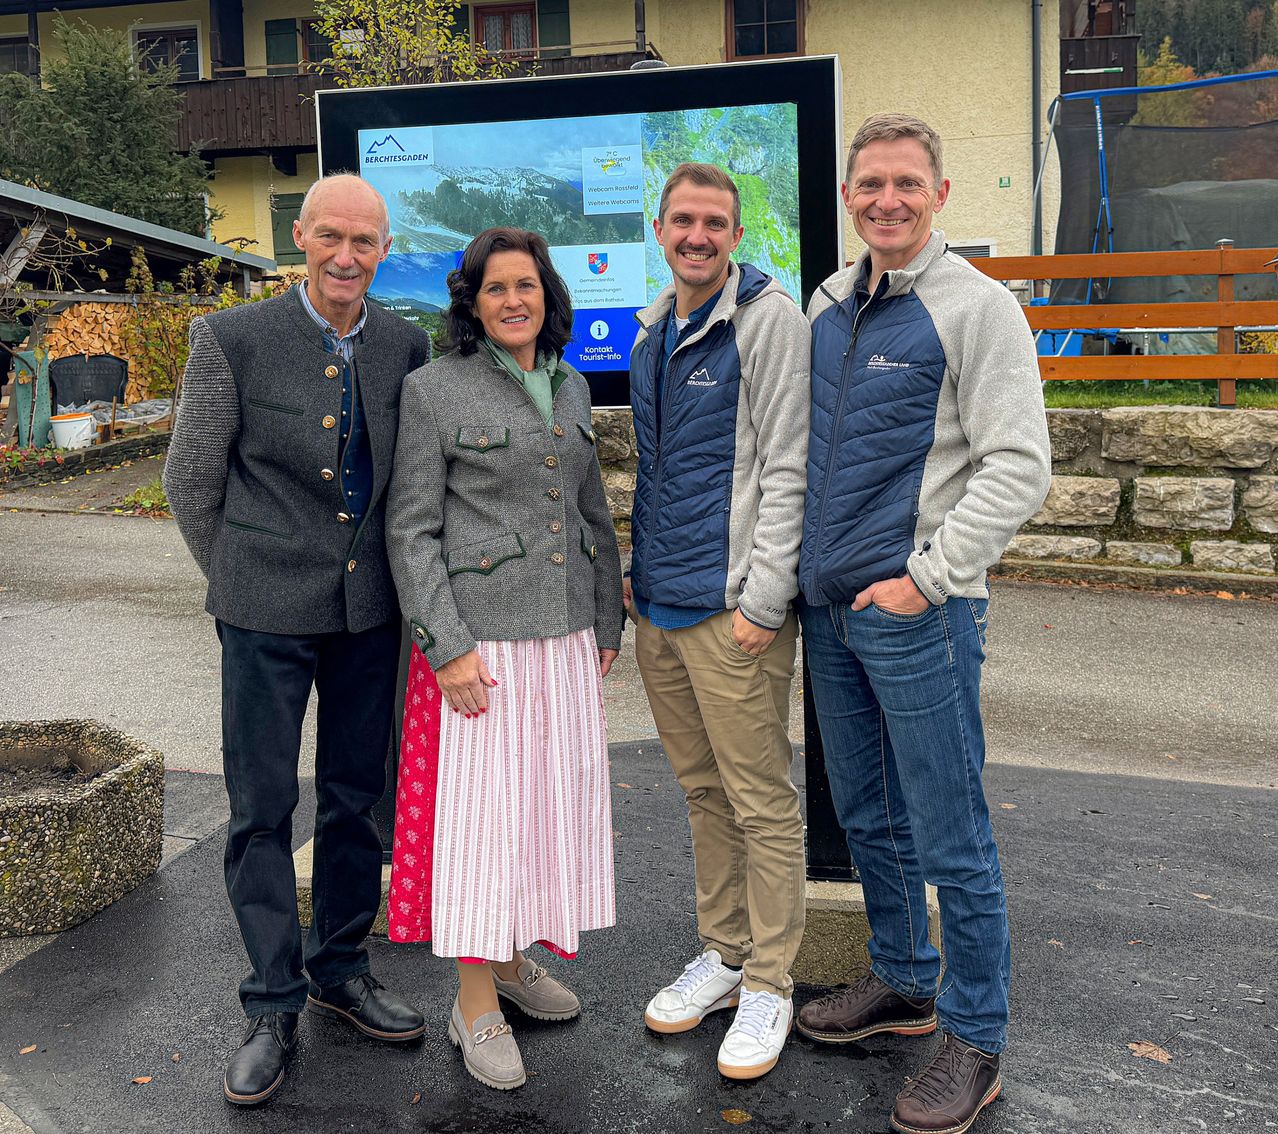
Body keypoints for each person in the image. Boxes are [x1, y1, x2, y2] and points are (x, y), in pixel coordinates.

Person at [796, 113, 1052, 1134]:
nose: (886, 200)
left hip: (920, 618)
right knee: (869, 819)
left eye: (906, 183)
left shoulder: (978, 308)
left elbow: (1020, 464)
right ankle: (904, 982)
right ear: (851, 196)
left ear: (937, 192)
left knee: (952, 833)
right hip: (832, 617)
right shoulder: (827, 303)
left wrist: (927, 579)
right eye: (871, 185)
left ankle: (976, 1034)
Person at [163, 173, 431, 1107]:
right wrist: (239, 581)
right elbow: (191, 482)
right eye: (330, 239)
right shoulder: (230, 337)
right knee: (262, 807)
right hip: (261, 615)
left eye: (365, 241)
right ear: (302, 241)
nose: (347, 256)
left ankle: (341, 968)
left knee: (360, 797)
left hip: (370, 614)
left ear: (383, 249)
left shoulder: (407, 345)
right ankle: (272, 1000)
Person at [384, 226, 624, 1092]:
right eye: (496, 289)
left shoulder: (571, 385)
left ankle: (516, 961)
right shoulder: (434, 390)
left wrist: (606, 624)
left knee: (538, 813)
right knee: (482, 827)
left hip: (562, 638)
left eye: (526, 285)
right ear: (472, 305)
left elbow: (592, 515)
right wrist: (445, 649)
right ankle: (475, 1001)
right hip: (479, 647)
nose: (514, 300)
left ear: (546, 296)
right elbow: (410, 530)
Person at [627, 162, 810, 1080]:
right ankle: (726, 955)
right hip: (659, 608)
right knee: (705, 794)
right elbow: (658, 474)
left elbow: (788, 468)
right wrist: (635, 580)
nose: (697, 236)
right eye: (683, 221)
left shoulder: (769, 324)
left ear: (737, 236)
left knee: (761, 801)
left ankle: (772, 982)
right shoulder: (654, 329)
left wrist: (764, 600)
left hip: (731, 612)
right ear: (660, 230)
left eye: (715, 223)